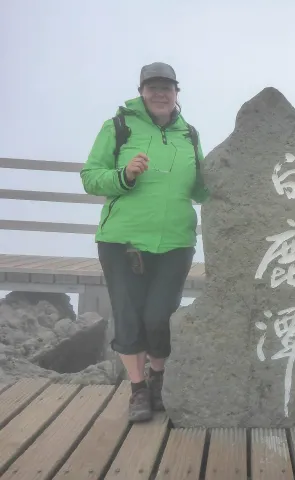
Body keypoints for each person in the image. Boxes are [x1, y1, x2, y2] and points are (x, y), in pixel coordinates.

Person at [80, 62, 208, 422]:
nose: (160, 93)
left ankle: (159, 379)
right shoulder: (118, 127)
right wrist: (125, 174)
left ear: (176, 93)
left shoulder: (189, 134)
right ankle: (138, 389)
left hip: (176, 242)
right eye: (152, 87)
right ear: (141, 92)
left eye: (167, 87)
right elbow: (90, 177)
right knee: (129, 315)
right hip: (124, 241)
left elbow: (201, 187)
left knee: (159, 317)